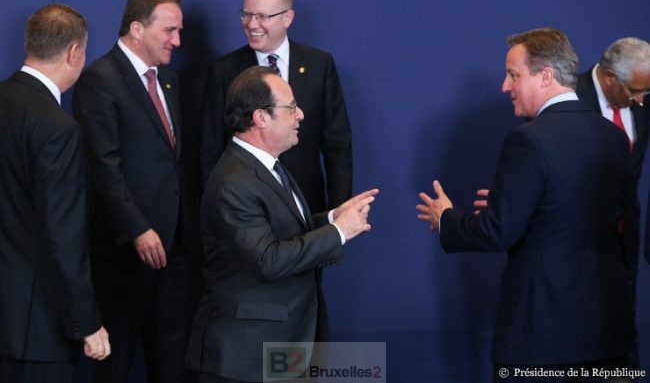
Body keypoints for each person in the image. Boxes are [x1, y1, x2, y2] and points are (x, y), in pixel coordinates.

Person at [416, 28, 635, 382]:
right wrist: (517, 203)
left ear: (545, 76)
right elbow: (595, 215)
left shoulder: (528, 141)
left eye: (513, 74)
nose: (505, 86)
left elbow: (497, 232)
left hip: (544, 336)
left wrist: (447, 218)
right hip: (608, 329)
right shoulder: (615, 137)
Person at [187, 66, 378, 383]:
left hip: (281, 347)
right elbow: (268, 259)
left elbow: (282, 229)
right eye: (290, 107)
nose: (300, 114)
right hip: (248, 357)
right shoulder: (234, 182)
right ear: (260, 117)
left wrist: (332, 217)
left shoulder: (265, 167)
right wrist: (339, 231)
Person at [73, 0, 197, 383]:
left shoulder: (170, 80)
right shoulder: (100, 80)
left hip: (174, 251)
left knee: (172, 365)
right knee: (116, 366)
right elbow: (103, 167)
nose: (177, 41)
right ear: (137, 28)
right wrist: (138, 229)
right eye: (170, 30)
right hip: (124, 255)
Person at [0, 4, 110, 383]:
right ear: (74, 52)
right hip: (38, 328)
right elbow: (63, 235)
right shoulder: (58, 127)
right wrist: (88, 322)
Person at [199, 0, 352, 214]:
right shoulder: (223, 71)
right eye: (246, 14)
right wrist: (216, 209)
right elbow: (210, 149)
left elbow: (338, 146)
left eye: (262, 16)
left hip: (308, 206)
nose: (251, 24)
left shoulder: (320, 65)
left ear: (287, 18)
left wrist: (341, 212)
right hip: (246, 207)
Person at [575, 37, 650, 368]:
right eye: (634, 91)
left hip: (623, 243)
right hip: (575, 244)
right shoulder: (569, 98)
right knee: (578, 342)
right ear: (608, 77)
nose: (640, 100)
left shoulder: (641, 100)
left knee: (620, 341)